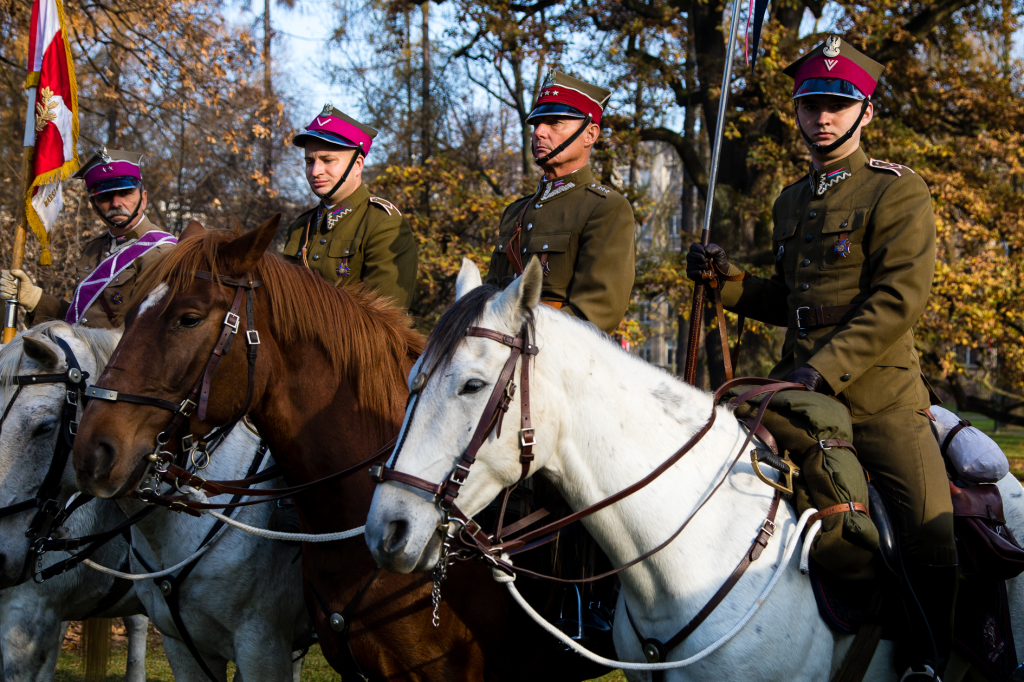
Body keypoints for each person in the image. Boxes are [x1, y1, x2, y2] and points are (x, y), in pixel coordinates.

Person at [687, 36, 955, 681]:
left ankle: (931, 661)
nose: (823, 117)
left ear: (866, 112)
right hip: (799, 397)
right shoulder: (790, 201)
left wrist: (820, 370)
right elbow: (790, 301)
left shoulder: (898, 191)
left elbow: (897, 300)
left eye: (839, 103)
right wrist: (723, 283)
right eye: (812, 104)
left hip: (879, 398)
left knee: (930, 532)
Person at [483, 71, 635, 335]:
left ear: (590, 134)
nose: (539, 132)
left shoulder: (605, 208)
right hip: (499, 352)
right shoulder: (516, 212)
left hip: (559, 360)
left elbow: (595, 315)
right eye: (536, 124)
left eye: (554, 123)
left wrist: (515, 336)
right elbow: (489, 297)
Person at [1, 149, 176, 329]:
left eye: (125, 193)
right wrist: (34, 299)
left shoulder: (162, 252)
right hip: (84, 354)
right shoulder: (94, 248)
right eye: (104, 197)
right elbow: (81, 321)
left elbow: (151, 333)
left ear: (143, 198)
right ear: (94, 206)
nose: (116, 203)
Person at [282, 105, 417, 309]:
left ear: (358, 165)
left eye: (328, 160)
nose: (316, 171)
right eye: (309, 162)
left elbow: (385, 322)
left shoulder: (383, 223)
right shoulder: (300, 227)